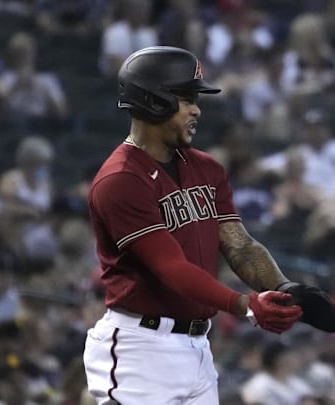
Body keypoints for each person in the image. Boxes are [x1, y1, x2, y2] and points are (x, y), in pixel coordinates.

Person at [82, 46, 309, 404]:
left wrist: (283, 289)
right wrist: (246, 304)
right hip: (139, 350)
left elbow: (240, 244)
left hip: (198, 349)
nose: (196, 109)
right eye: (186, 98)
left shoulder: (207, 167)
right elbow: (170, 268)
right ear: (153, 99)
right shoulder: (120, 179)